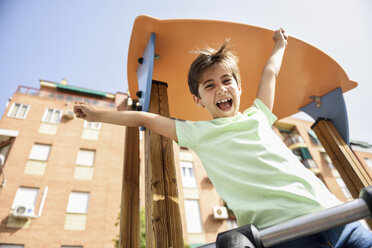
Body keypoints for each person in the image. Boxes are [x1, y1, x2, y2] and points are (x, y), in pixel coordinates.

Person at [74, 28, 372, 247]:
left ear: (238, 88)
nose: (221, 89)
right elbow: (145, 118)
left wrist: (279, 45)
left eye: (227, 80)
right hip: (282, 231)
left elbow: (269, 74)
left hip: (331, 211)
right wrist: (97, 115)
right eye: (209, 86)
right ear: (198, 100)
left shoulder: (259, 115)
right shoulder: (198, 133)